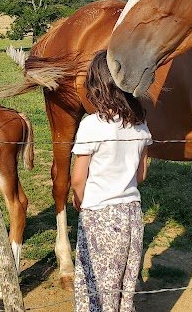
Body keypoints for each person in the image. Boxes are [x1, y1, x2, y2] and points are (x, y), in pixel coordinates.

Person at [71, 50, 152, 312]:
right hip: (131, 213)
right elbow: (141, 175)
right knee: (123, 285)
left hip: (99, 213)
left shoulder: (91, 125)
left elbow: (77, 178)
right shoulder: (140, 125)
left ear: (97, 84)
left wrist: (80, 201)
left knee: (96, 284)